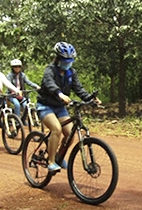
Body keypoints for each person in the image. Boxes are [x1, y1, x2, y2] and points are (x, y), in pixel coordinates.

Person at [37, 42, 100, 172]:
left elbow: (78, 89)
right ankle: (51, 161)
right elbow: (49, 84)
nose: (68, 63)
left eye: (70, 60)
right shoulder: (50, 70)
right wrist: (59, 94)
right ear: (58, 59)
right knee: (56, 129)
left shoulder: (71, 72)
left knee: (69, 133)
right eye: (65, 60)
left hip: (60, 107)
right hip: (45, 106)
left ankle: (59, 156)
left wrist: (90, 99)